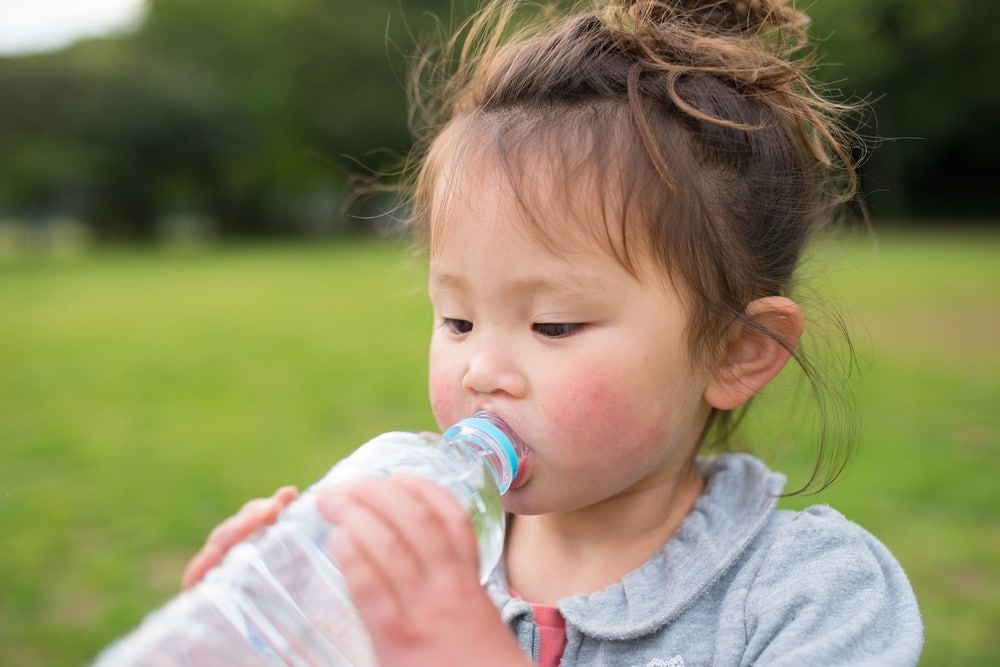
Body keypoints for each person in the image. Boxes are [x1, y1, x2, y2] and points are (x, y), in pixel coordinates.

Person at [182, 0, 924, 664]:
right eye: (458, 320)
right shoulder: (410, 564)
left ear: (736, 351)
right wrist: (252, 630)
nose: (482, 369)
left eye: (553, 324)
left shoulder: (810, 595)